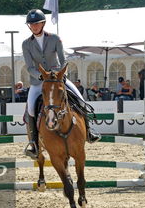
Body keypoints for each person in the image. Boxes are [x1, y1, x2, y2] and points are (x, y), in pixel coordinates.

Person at [22, 9, 101, 158]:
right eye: (31, 24)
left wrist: (59, 74)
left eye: (37, 23)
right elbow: (29, 67)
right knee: (31, 110)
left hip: (58, 78)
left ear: (43, 23)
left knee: (81, 101)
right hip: (39, 82)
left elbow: (63, 60)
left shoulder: (55, 39)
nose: (34, 26)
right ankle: (33, 143)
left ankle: (89, 132)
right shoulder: (26, 44)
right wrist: (41, 76)